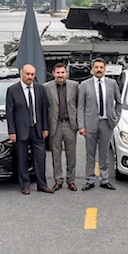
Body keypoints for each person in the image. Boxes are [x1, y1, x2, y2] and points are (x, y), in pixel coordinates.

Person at [6, 63, 51, 194]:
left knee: (40, 158)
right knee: (22, 159)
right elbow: (10, 113)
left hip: (37, 129)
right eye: (27, 74)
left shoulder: (40, 89)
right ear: (22, 74)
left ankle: (42, 184)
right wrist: (12, 132)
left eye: (32, 74)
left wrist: (45, 128)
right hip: (20, 131)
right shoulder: (12, 90)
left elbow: (44, 110)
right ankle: (24, 185)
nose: (30, 77)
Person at [78, 58, 122, 191]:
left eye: (101, 67)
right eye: (96, 67)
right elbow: (81, 106)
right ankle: (89, 180)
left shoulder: (112, 83)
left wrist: (115, 119)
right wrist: (81, 125)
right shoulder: (84, 85)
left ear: (105, 69)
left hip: (106, 123)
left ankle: (105, 180)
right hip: (90, 123)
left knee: (104, 153)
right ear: (92, 69)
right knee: (90, 154)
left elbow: (119, 103)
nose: (98, 69)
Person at [44, 62, 79, 191]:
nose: (60, 75)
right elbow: (45, 108)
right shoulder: (46, 87)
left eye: (62, 72)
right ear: (53, 74)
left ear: (66, 74)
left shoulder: (75, 86)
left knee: (71, 155)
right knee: (55, 155)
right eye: (58, 73)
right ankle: (58, 180)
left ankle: (71, 180)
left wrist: (79, 125)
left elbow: (78, 106)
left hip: (70, 124)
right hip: (55, 125)